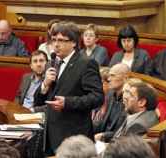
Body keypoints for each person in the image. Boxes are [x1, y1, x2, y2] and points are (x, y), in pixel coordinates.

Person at [34, 22, 104, 155]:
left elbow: (97, 97)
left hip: (74, 137)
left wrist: (68, 102)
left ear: (73, 43)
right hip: (50, 134)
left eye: (61, 40)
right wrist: (45, 85)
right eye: (53, 40)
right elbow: (38, 101)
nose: (56, 44)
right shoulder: (51, 62)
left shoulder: (86, 63)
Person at [94, 63, 128, 142]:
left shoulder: (128, 99)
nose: (109, 79)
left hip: (115, 143)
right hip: (101, 138)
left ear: (125, 78)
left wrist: (103, 136)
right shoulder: (110, 94)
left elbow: (123, 132)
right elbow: (102, 122)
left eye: (113, 75)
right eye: (109, 76)